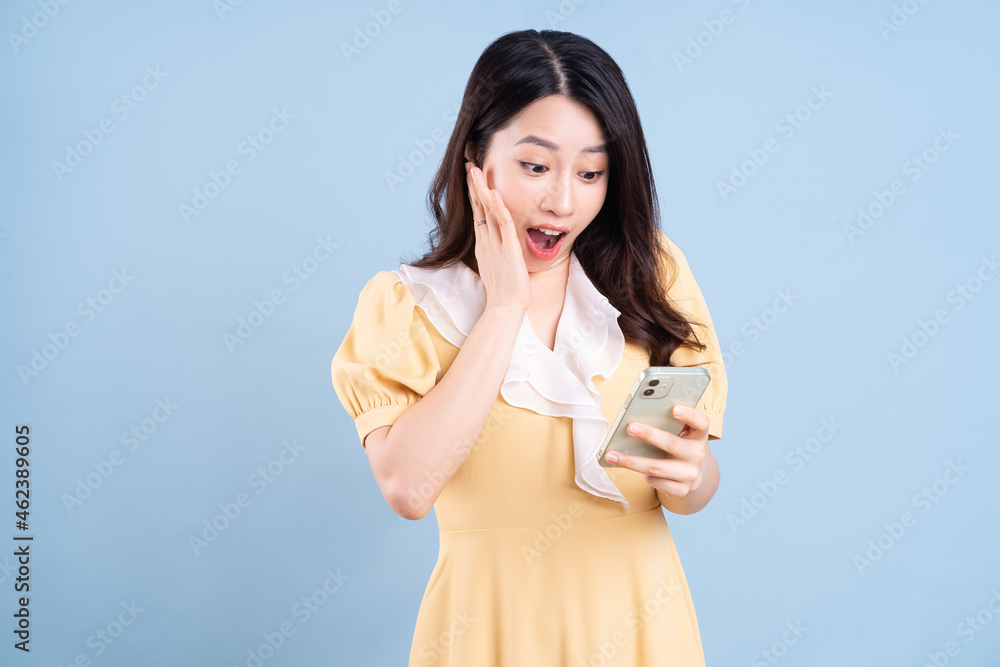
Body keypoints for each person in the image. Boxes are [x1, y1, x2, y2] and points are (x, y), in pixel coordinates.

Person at [331, 28, 728, 667]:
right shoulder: (407, 306)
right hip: (488, 633)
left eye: (592, 172)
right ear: (477, 160)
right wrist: (506, 307)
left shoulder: (653, 274)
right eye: (535, 166)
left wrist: (692, 475)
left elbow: (691, 488)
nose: (563, 201)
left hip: (643, 627)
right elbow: (407, 488)